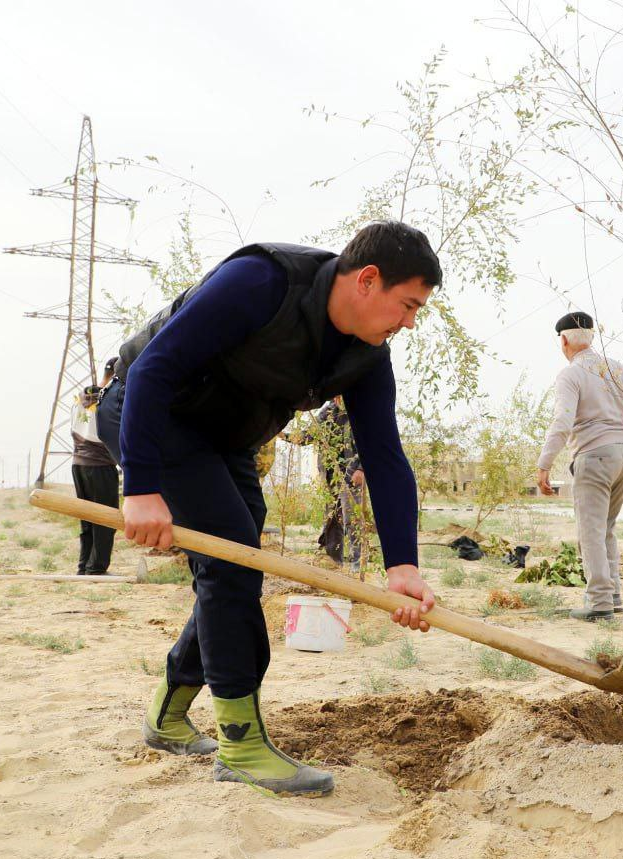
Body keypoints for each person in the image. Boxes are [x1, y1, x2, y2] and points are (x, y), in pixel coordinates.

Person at [96, 221, 440, 797]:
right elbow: (154, 369)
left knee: (233, 562)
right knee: (231, 561)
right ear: (368, 280)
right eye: (407, 305)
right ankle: (241, 744)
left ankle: (168, 714)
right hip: (150, 414)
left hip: (224, 440)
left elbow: (384, 456)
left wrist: (402, 565)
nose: (409, 323)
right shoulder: (263, 281)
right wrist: (141, 487)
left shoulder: (367, 357)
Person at [535, 312, 623, 621]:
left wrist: (544, 464)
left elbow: (562, 421)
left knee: (590, 532)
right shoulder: (616, 369)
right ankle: (613, 595)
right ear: (591, 338)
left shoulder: (571, 374)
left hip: (594, 456)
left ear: (564, 341)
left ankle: (599, 603)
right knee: (606, 529)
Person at [285, 397, 367, 572]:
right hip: (330, 475)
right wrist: (284, 435)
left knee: (351, 519)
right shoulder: (327, 412)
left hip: (350, 474)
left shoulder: (359, 410)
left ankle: (356, 563)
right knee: (332, 518)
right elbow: (308, 435)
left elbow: (368, 441)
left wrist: (361, 468)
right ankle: (333, 561)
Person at [70, 357, 120, 575]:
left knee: (87, 518)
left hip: (78, 464)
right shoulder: (108, 399)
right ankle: (97, 568)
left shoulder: (80, 397)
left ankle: (84, 566)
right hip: (99, 465)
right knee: (105, 518)